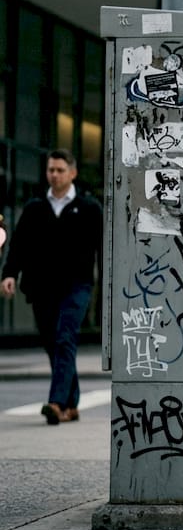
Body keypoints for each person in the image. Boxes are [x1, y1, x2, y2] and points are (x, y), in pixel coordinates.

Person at [1, 149, 103, 426]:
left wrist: (108, 287)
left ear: (72, 173)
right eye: (50, 170)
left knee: (64, 338)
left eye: (60, 170)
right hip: (41, 288)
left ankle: (56, 403)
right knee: (53, 343)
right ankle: (71, 404)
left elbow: (103, 249)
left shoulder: (89, 208)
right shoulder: (35, 208)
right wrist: (9, 274)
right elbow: (18, 245)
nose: (54, 175)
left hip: (77, 286)